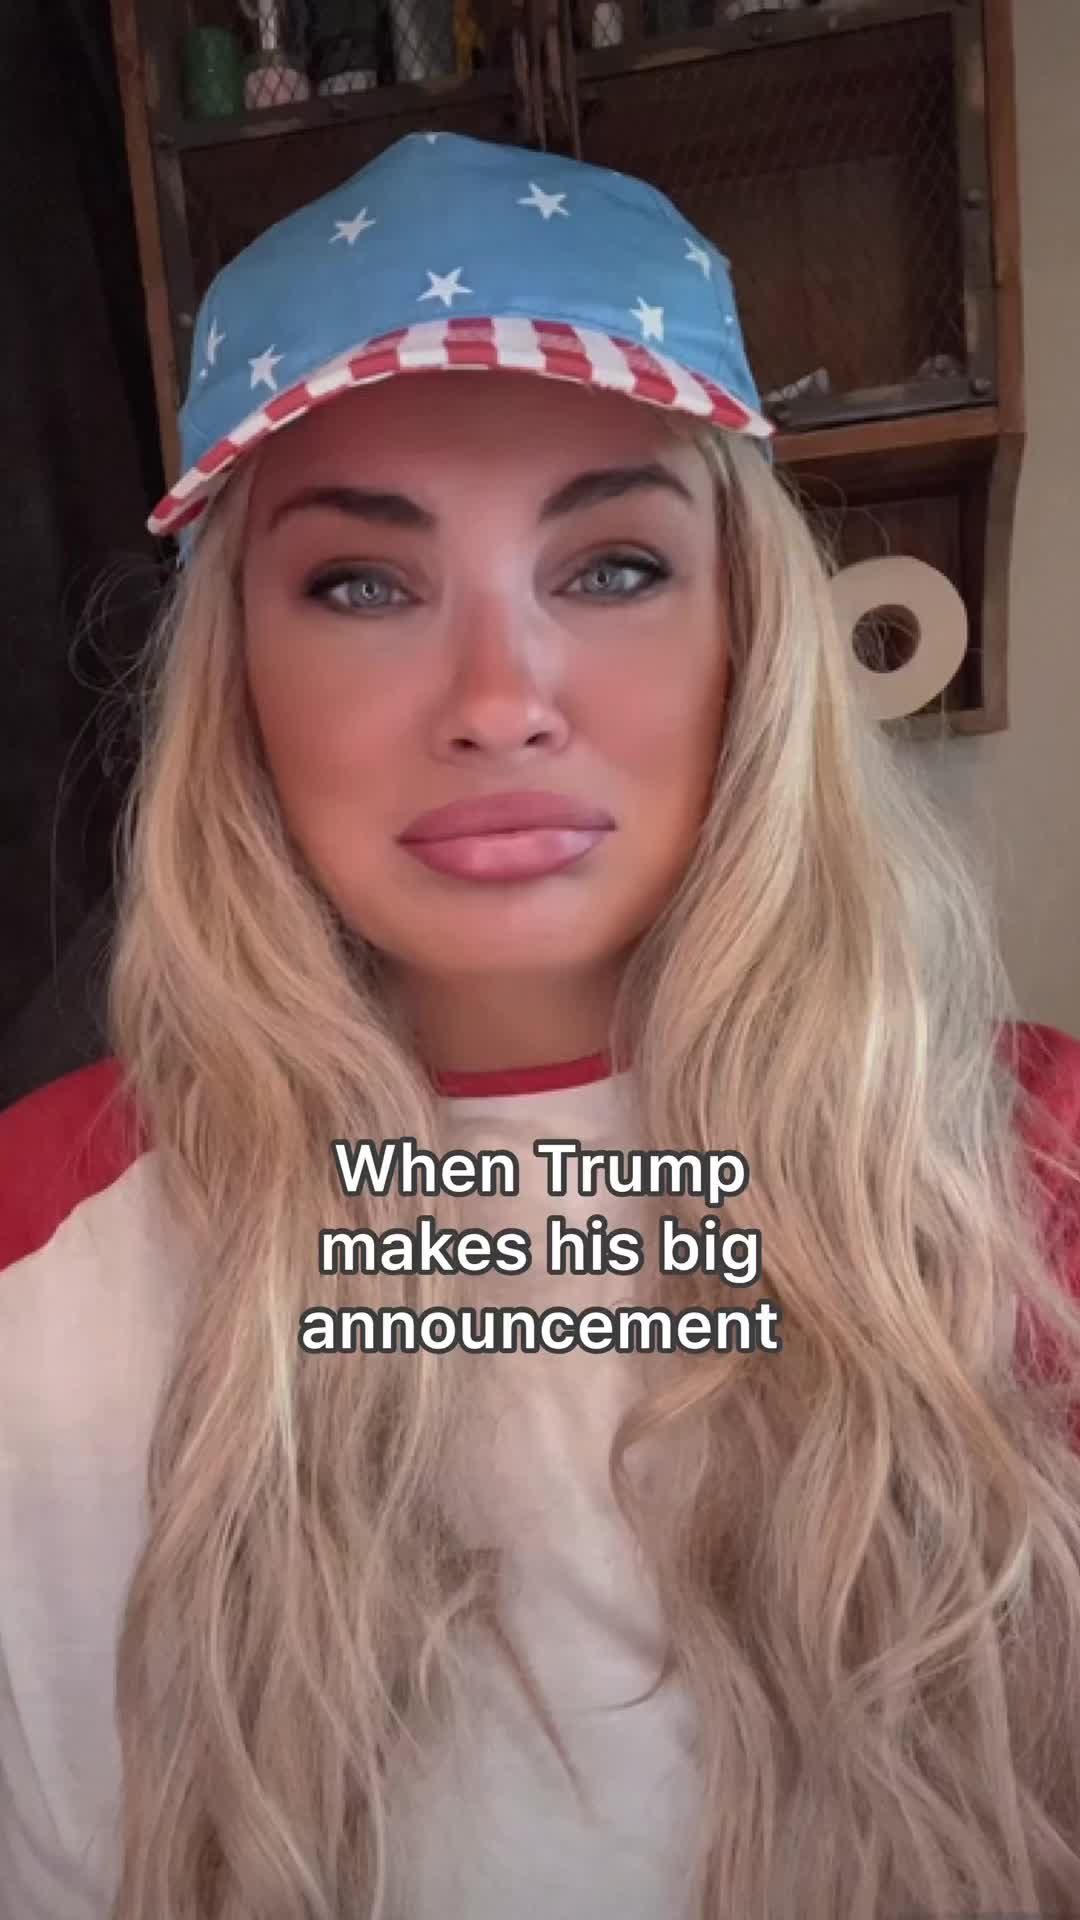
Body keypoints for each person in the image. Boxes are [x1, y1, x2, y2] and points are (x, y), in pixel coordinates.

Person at [1, 128, 1080, 1920]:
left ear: (752, 636)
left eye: (614, 568)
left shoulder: (1041, 1175)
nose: (501, 702)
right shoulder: (36, 1244)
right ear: (237, 680)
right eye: (362, 584)